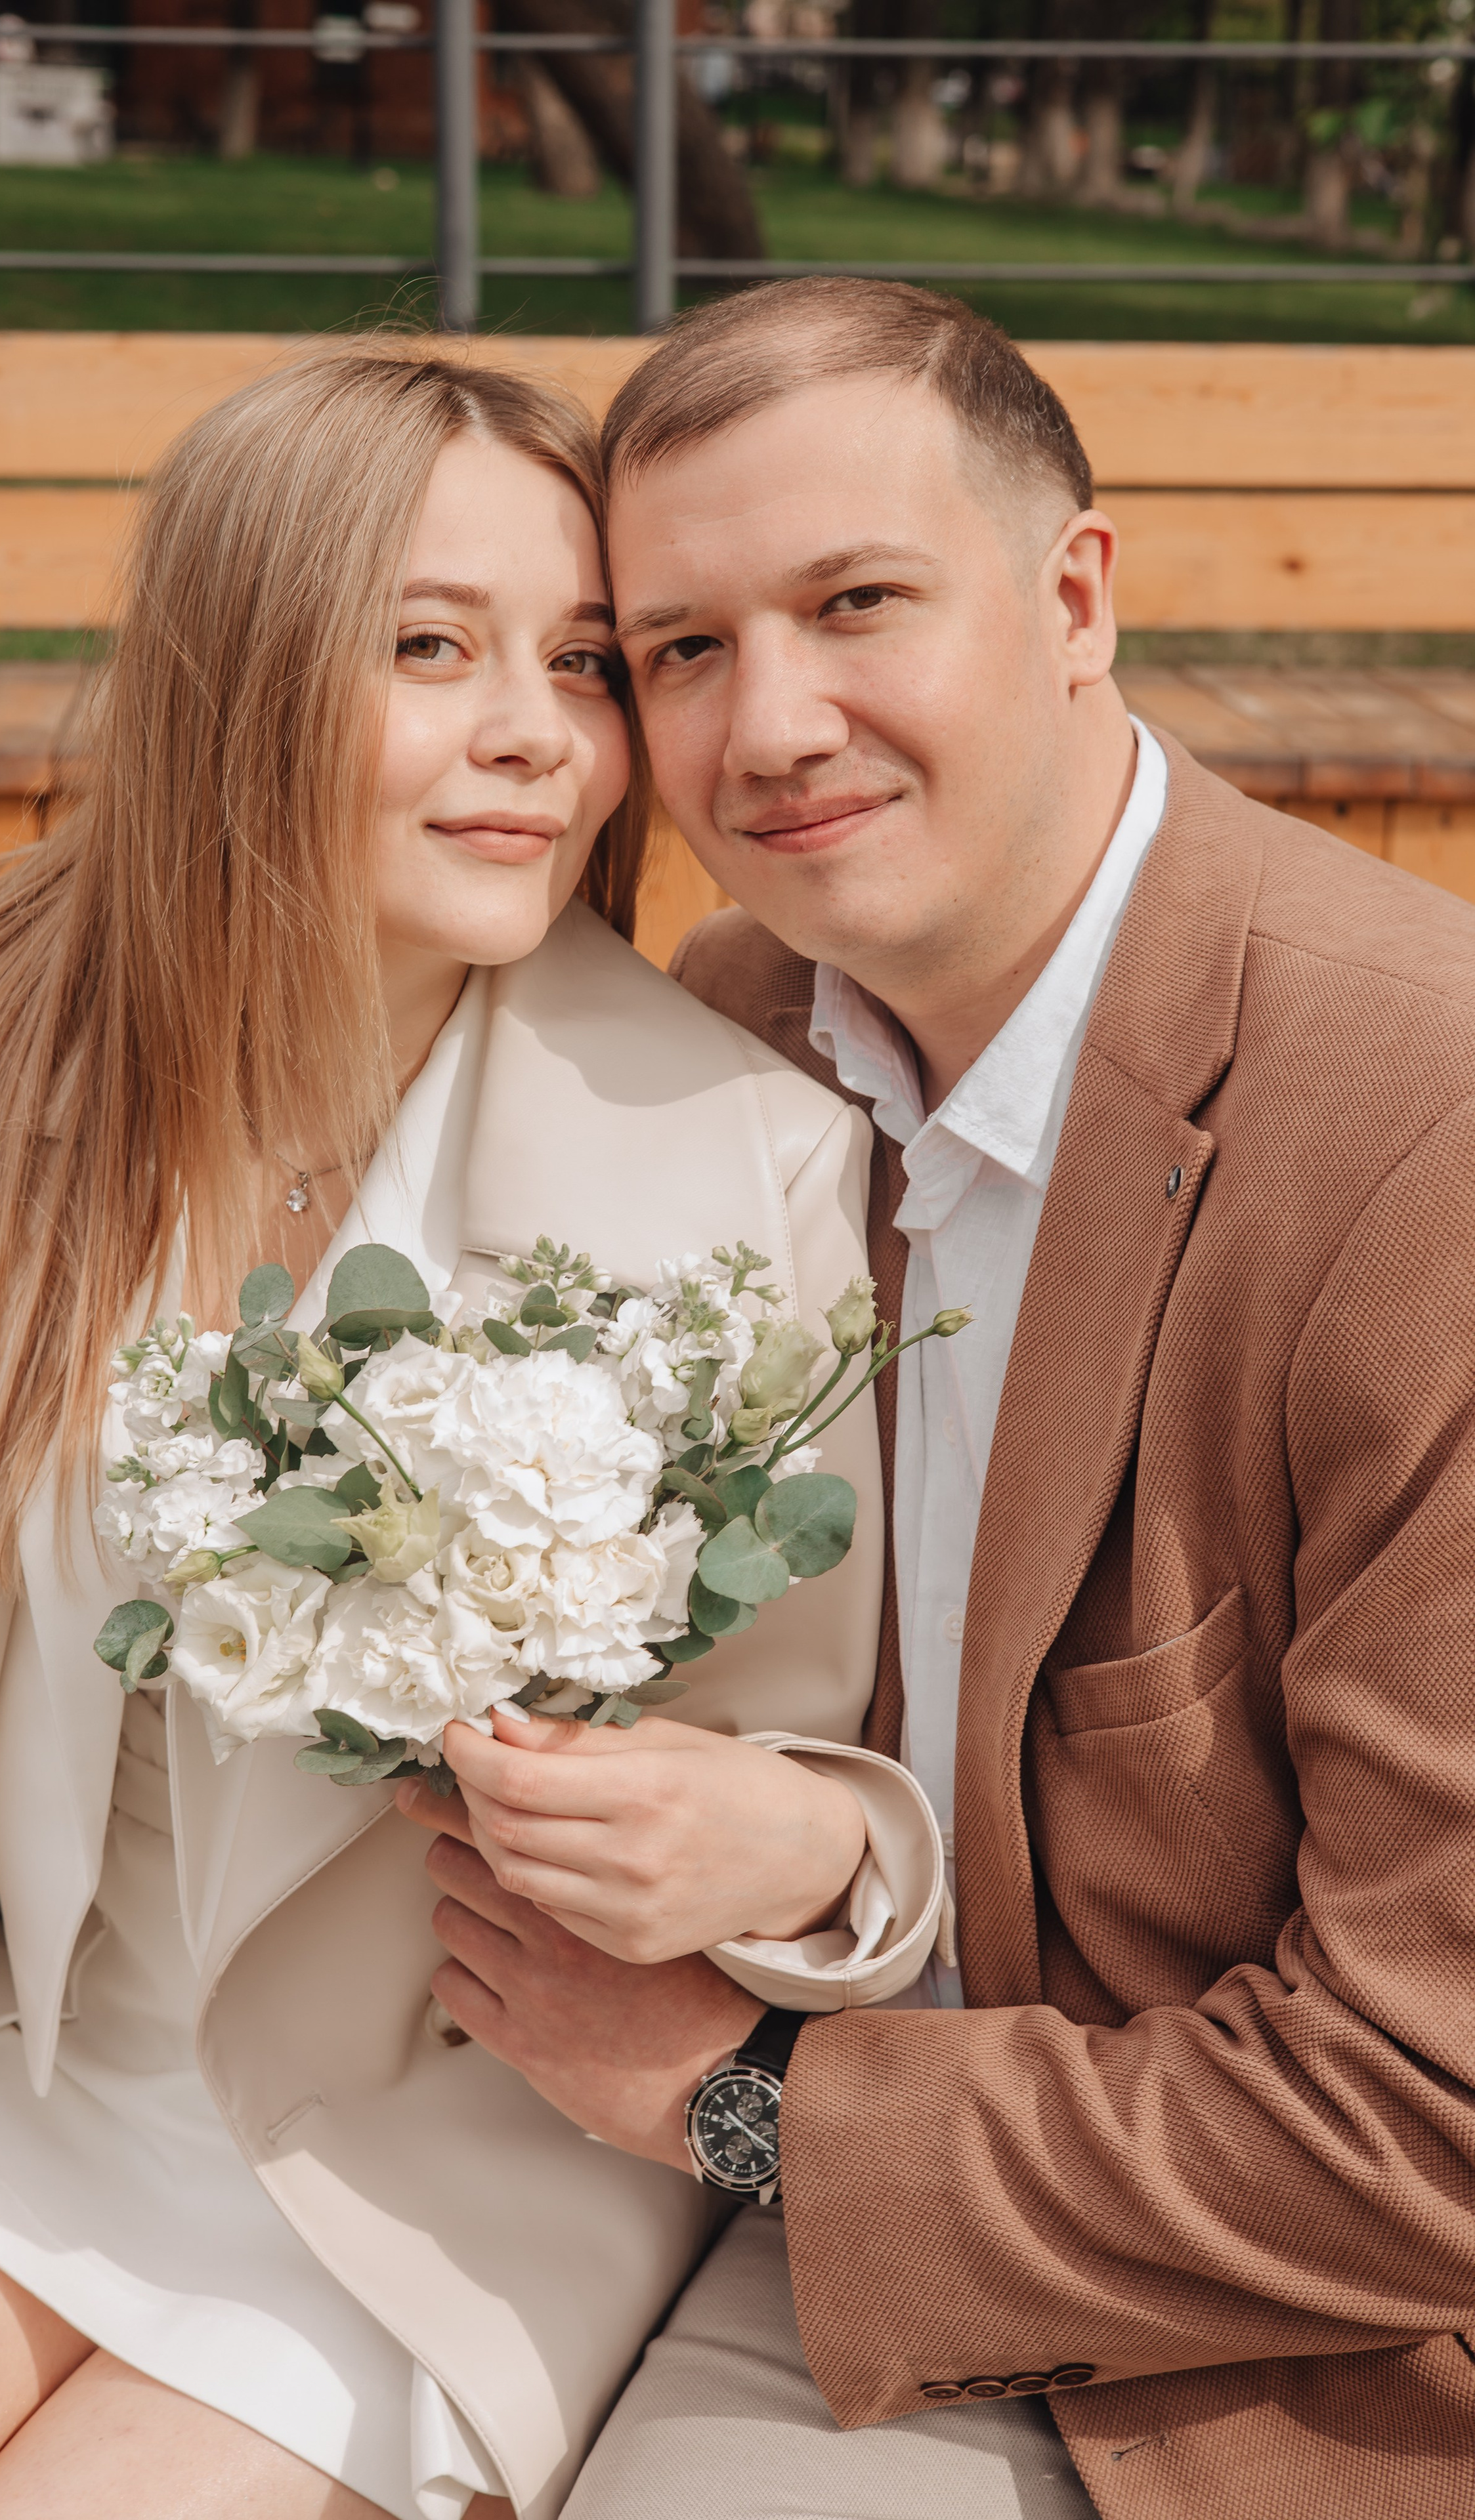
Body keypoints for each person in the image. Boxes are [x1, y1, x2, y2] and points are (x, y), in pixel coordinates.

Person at [0, 342, 944, 2520]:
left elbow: (801, 1782)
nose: (539, 731)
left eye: (582, 661)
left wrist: (778, 1867)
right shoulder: (1, 1064)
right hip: (32, 2066)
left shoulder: (744, 1165)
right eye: (432, 647)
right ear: (242, 678)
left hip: (439, 2146)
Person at [378, 282, 1475, 2520]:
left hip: (1237, 2333)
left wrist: (747, 2104)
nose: (773, 725)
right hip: (683, 2109)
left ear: (1076, 596)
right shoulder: (740, 1023)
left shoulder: (1421, 1141)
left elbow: (1433, 2125)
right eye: (680, 648)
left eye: (856, 602)